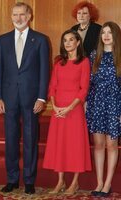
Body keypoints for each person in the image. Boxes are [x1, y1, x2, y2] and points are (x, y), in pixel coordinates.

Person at [0, 2, 49, 195]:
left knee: (30, 139)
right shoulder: (2, 40)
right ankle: (12, 179)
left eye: (22, 14)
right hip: (8, 98)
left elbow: (44, 71)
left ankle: (29, 180)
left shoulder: (41, 40)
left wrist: (42, 98)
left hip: (32, 98)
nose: (18, 18)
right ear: (11, 17)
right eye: (15, 15)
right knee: (10, 139)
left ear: (29, 15)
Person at [43, 29, 91, 195]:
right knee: (60, 145)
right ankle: (60, 181)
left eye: (71, 40)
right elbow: (52, 87)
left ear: (78, 42)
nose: (68, 43)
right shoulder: (59, 63)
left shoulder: (84, 62)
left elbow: (84, 88)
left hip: (74, 109)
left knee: (75, 145)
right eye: (65, 40)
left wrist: (70, 108)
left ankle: (75, 183)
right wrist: (55, 106)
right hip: (58, 110)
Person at [86, 21, 121, 197]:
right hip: (97, 104)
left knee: (111, 145)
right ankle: (99, 182)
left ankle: (108, 184)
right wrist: (87, 105)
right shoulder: (94, 55)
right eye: (103, 33)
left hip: (115, 105)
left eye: (110, 32)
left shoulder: (120, 56)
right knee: (98, 145)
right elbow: (90, 85)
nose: (106, 36)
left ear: (116, 35)